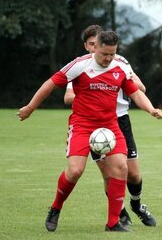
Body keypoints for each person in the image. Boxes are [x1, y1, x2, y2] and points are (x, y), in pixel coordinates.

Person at [17, 31, 162, 232]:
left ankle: (113, 223)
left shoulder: (120, 67)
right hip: (82, 125)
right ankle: (55, 208)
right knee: (75, 170)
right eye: (104, 54)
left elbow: (135, 93)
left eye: (112, 54)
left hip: (110, 126)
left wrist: (151, 109)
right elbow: (50, 84)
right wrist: (30, 108)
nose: (108, 59)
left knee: (122, 168)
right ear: (96, 48)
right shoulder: (80, 65)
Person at [64, 25, 156, 227]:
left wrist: (127, 83)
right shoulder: (80, 67)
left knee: (133, 173)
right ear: (88, 45)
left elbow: (140, 87)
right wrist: (92, 90)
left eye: (96, 43)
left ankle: (137, 205)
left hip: (120, 120)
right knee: (109, 174)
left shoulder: (119, 62)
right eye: (90, 44)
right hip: (96, 126)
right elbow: (68, 96)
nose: (93, 47)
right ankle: (119, 214)